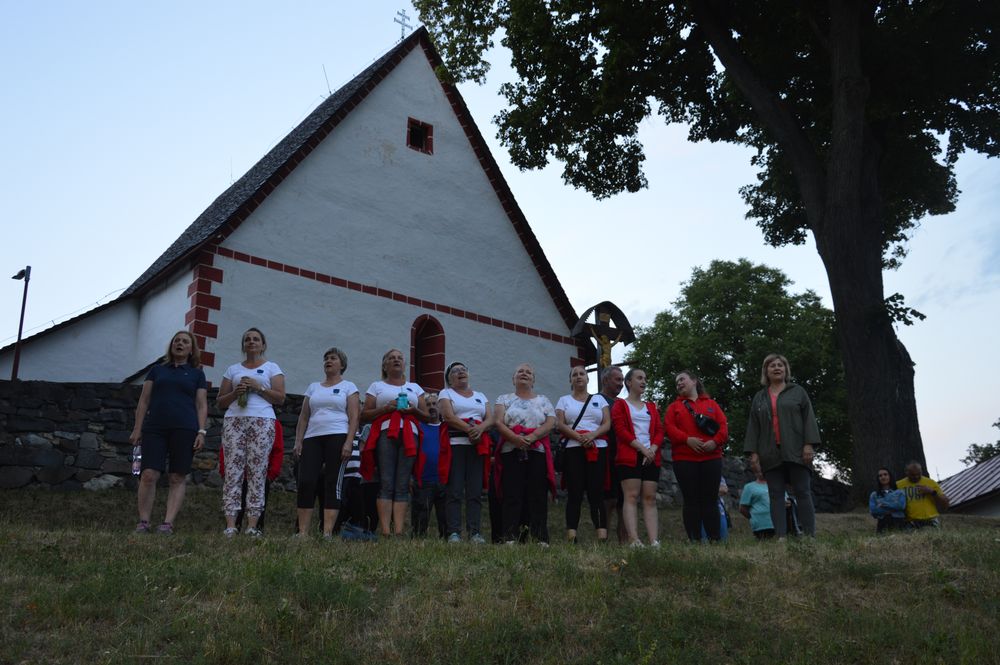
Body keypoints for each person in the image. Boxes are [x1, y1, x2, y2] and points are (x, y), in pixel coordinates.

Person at [130, 331, 208, 534]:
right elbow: (144, 401)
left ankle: (167, 523)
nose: (179, 344)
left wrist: (201, 431)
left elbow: (201, 404)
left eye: (185, 341)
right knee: (148, 474)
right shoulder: (157, 371)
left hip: (185, 428)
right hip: (155, 427)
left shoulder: (197, 374)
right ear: (171, 345)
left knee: (177, 476)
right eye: (176, 340)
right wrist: (137, 428)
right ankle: (144, 522)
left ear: (191, 349)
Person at [216, 327, 286, 538]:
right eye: (247, 339)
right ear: (243, 345)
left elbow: (280, 398)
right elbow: (220, 401)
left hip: (262, 420)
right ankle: (231, 525)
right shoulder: (233, 369)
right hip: (234, 421)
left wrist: (258, 387)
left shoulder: (272, 368)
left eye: (256, 339)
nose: (251, 342)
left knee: (257, 471)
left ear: (263, 345)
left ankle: (252, 525)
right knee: (233, 471)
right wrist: (235, 393)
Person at [743, 353, 820, 537]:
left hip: (797, 450)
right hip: (769, 453)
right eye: (772, 366)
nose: (777, 368)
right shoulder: (759, 397)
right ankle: (781, 537)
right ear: (766, 371)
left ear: (786, 370)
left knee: (803, 492)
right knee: (775, 495)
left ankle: (809, 536)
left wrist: (809, 444)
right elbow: (754, 426)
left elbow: (808, 418)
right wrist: (753, 453)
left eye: (780, 365)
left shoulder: (798, 392)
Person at [360, 348, 428, 537]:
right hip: (385, 433)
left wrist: (413, 410)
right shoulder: (376, 386)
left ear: (404, 365)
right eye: (391, 358)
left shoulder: (415, 387)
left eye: (399, 358)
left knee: (403, 482)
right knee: (386, 481)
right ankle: (385, 530)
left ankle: (398, 531)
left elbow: (428, 417)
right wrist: (386, 408)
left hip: (410, 434)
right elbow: (364, 415)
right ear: (385, 365)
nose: (396, 360)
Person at [293, 347, 360, 539]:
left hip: (337, 435)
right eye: (326, 359)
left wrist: (349, 442)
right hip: (312, 437)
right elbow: (304, 417)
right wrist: (298, 441)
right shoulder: (313, 387)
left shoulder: (349, 386)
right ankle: (303, 533)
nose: (328, 361)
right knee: (306, 482)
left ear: (342, 365)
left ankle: (327, 532)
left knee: (332, 482)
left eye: (333, 358)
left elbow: (354, 417)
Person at [494, 363, 556, 544]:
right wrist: (515, 439)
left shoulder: (543, 400)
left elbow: (551, 422)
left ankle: (540, 538)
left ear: (533, 380)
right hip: (511, 450)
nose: (524, 374)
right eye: (520, 371)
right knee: (512, 493)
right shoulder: (503, 399)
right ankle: (510, 537)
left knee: (537, 494)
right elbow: (498, 422)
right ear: (513, 379)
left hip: (537, 451)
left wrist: (532, 437)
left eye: (529, 372)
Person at [664, 370, 729, 542]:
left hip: (711, 458)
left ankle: (715, 540)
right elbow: (669, 428)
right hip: (684, 459)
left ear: (694, 381)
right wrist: (687, 439)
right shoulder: (674, 407)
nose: (679, 383)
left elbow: (723, 426)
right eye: (677, 382)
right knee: (691, 501)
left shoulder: (711, 404)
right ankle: (695, 540)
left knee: (710, 500)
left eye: (682, 379)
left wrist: (715, 442)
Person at [438, 361, 493, 544]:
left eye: (463, 369)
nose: (460, 372)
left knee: (474, 490)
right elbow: (448, 416)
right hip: (456, 445)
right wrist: (470, 430)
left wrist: (480, 429)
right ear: (449, 379)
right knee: (454, 490)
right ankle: (454, 532)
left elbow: (490, 419)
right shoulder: (446, 393)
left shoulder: (480, 395)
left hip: (477, 446)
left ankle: (475, 532)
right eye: (455, 371)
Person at [555, 365, 611, 543]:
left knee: (597, 492)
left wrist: (592, 435)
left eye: (582, 374)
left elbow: (607, 423)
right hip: (573, 449)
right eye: (575, 375)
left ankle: (602, 536)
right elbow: (560, 424)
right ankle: (572, 536)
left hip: (597, 447)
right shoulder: (563, 400)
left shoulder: (599, 400)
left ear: (588, 378)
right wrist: (579, 438)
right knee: (575, 492)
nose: (578, 376)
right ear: (570, 380)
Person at [611, 368, 664, 548]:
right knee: (631, 496)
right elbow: (620, 430)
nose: (643, 381)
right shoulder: (620, 405)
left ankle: (654, 541)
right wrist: (642, 449)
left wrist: (652, 449)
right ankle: (634, 540)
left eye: (645, 378)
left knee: (650, 498)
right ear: (629, 382)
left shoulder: (651, 407)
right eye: (639, 378)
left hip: (651, 456)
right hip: (629, 456)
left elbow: (659, 430)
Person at [218, 421, 284, 532]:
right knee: (235, 506)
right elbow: (227, 448)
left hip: (261, 476)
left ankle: (255, 529)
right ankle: (232, 529)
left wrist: (271, 474)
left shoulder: (272, 422)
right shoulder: (235, 421)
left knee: (259, 507)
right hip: (237, 477)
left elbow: (277, 449)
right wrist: (224, 471)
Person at [412, 392, 447, 538]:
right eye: (428, 405)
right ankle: (418, 542)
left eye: (434, 403)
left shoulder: (447, 428)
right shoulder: (418, 427)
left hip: (445, 481)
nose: (432, 407)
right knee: (421, 518)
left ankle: (447, 542)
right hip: (424, 481)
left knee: (446, 519)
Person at [600, 366, 627, 543]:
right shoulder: (596, 401)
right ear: (605, 380)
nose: (621, 384)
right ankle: (604, 538)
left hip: (624, 457)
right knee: (608, 500)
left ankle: (623, 538)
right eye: (617, 379)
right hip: (605, 456)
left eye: (622, 380)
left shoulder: (623, 403)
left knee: (624, 500)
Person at [896, 461, 949, 529]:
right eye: (912, 475)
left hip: (930, 520)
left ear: (921, 471)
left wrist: (932, 492)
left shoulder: (931, 482)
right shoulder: (898, 485)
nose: (916, 477)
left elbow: (945, 503)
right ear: (906, 472)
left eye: (918, 474)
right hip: (909, 522)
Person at [739, 463, 776, 539]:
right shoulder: (749, 487)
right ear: (755, 472)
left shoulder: (776, 485)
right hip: (760, 525)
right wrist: (753, 517)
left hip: (778, 523)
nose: (761, 472)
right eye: (759, 471)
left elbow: (785, 500)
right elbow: (742, 508)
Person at [868, 467, 906, 533]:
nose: (883, 477)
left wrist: (883, 504)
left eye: (885, 474)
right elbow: (873, 511)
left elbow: (901, 506)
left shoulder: (899, 492)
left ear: (890, 476)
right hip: (882, 524)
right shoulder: (874, 495)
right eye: (880, 476)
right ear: (878, 479)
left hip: (898, 522)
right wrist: (894, 507)